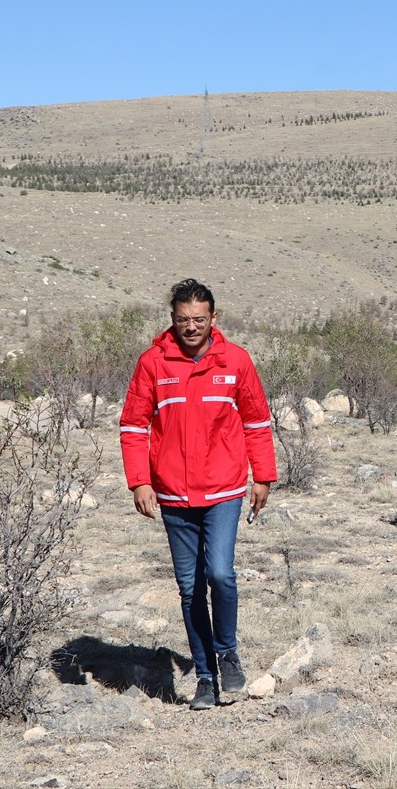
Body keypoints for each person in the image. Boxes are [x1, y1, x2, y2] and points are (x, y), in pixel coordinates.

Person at [120, 278, 277, 711]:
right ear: (172, 318)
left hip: (224, 489)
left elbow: (257, 422)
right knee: (190, 589)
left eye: (199, 319)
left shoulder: (236, 361)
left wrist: (262, 476)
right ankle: (206, 678)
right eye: (184, 319)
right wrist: (140, 481)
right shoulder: (153, 363)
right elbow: (133, 427)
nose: (191, 327)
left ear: (213, 318)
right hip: (172, 495)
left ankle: (227, 651)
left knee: (221, 575)